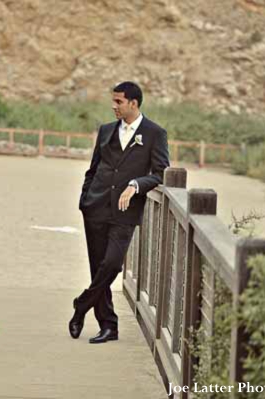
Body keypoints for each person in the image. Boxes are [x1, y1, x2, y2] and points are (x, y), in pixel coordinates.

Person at [71, 82, 170, 344]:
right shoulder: (105, 131)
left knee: (112, 264)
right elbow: (93, 169)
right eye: (113, 101)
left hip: (126, 211)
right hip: (96, 207)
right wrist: (85, 200)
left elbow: (161, 172)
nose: (113, 106)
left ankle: (82, 304)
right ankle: (108, 326)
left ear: (133, 103)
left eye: (118, 102)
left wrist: (137, 184)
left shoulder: (154, 134)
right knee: (97, 267)